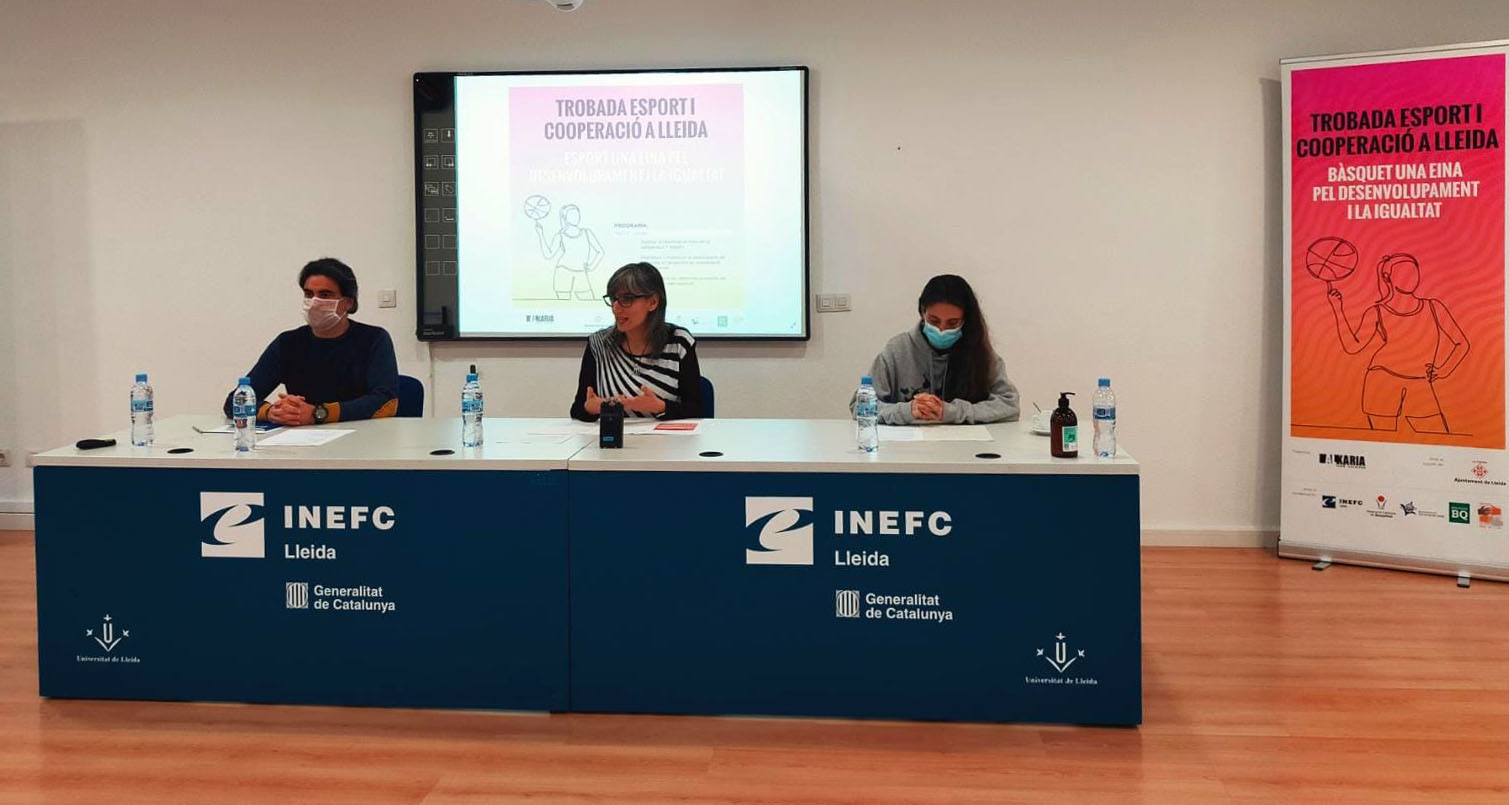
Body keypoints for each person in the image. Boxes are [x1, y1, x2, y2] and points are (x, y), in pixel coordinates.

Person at [223, 258, 399, 426]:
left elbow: (386, 402)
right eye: (308, 294)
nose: (314, 302)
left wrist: (318, 414)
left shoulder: (374, 339)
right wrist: (271, 412)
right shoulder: (288, 342)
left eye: (325, 295)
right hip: (303, 439)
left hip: (363, 436)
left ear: (348, 303)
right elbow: (234, 401)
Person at [1327, 252, 1468, 433]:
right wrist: (1337, 308)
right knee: (1382, 439)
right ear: (1387, 277)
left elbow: (1461, 343)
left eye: (1413, 271)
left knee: (1438, 434)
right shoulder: (1377, 311)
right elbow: (1352, 346)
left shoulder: (1433, 306)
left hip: (1419, 382)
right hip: (1382, 380)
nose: (1411, 277)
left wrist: (1444, 370)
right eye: (1403, 272)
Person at [855, 274, 1020, 424]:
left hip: (966, 445)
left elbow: (1010, 405)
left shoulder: (980, 352)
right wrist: (908, 411)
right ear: (922, 312)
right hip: (908, 444)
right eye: (934, 321)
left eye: (952, 323)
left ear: (965, 320)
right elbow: (859, 406)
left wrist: (950, 412)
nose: (941, 330)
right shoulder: (897, 350)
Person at [570, 262, 703, 421]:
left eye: (627, 299)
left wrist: (660, 407)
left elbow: (696, 409)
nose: (615, 308)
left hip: (665, 436)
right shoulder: (599, 344)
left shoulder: (679, 343)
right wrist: (592, 408)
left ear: (653, 302)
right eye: (613, 299)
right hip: (613, 435)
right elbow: (578, 410)